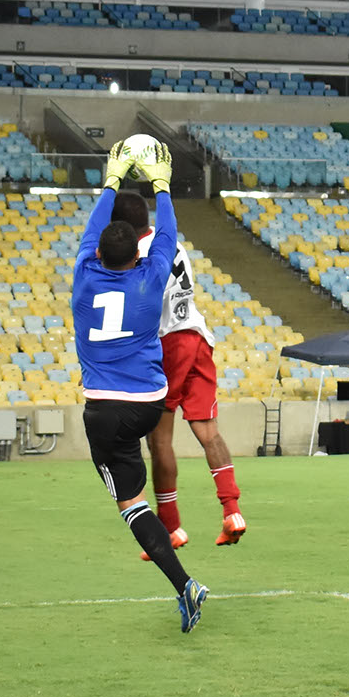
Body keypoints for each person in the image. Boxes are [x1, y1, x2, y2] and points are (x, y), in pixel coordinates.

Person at [72, 148, 209, 631]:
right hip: (151, 402)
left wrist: (109, 181)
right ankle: (178, 552)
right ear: (138, 254)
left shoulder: (84, 278)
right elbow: (168, 236)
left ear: (97, 254)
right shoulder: (151, 280)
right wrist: (163, 185)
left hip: (106, 410)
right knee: (140, 474)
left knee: (130, 505)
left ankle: (185, 583)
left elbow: (90, 234)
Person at [119, 190, 247, 550]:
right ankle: (232, 510)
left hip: (168, 345)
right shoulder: (171, 242)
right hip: (197, 335)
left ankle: (171, 526)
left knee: (159, 439)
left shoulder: (139, 256)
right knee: (208, 431)